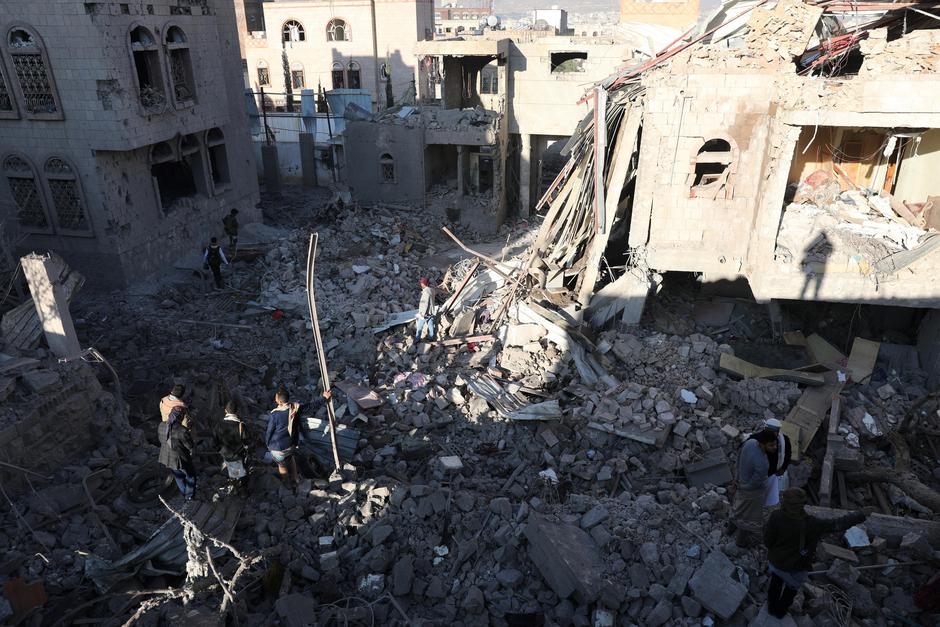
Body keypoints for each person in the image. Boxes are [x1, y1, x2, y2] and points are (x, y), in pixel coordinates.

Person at [764, 488, 866, 618]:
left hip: (777, 562)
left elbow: (768, 540)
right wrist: (860, 514)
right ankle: (780, 613)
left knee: (775, 583)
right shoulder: (812, 524)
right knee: (790, 590)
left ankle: (772, 609)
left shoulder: (776, 516)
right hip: (796, 567)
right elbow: (837, 524)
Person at [266, 387, 331, 484]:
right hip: (291, 445)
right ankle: (296, 479)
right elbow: (311, 406)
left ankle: (286, 482)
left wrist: (267, 444)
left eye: (276, 398)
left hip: (278, 448)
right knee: (290, 457)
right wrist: (324, 397)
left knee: (281, 465)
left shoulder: (274, 415)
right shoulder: (295, 408)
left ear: (279, 401)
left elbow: (269, 431)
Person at [730, 429, 778, 547]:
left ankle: (730, 529)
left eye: (775, 444)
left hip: (741, 483)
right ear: (762, 444)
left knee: (737, 510)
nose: (775, 447)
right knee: (748, 518)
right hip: (752, 493)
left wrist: (737, 481)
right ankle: (741, 542)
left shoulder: (750, 443)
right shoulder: (762, 463)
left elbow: (739, 459)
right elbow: (755, 484)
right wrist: (743, 486)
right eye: (771, 445)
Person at [158, 405, 197, 500]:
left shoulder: (162, 425)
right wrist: (187, 429)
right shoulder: (182, 430)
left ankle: (184, 493)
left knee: (178, 476)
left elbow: (160, 439)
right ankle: (189, 497)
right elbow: (190, 446)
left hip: (166, 457)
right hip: (180, 459)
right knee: (191, 476)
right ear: (181, 417)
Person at [753, 417, 793, 506]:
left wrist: (783, 468)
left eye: (775, 431)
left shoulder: (784, 439)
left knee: (777, 497)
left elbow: (788, 455)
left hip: (778, 474)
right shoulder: (758, 440)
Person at [216, 400, 249, 494]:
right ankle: (243, 490)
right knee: (242, 471)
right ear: (236, 411)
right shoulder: (241, 425)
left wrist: (220, 450)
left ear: (225, 411)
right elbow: (246, 440)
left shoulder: (219, 425)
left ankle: (233, 486)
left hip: (225, 454)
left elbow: (215, 441)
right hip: (239, 454)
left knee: (231, 470)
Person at [415, 277, 436, 341]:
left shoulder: (426, 292)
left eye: (421, 283)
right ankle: (431, 337)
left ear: (424, 284)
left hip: (425, 313)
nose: (421, 284)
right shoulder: (432, 290)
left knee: (419, 326)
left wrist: (422, 314)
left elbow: (425, 303)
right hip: (431, 311)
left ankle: (417, 339)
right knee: (430, 324)